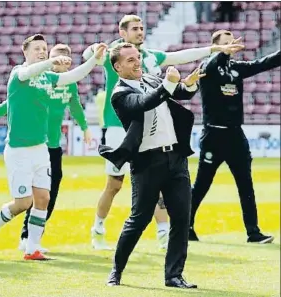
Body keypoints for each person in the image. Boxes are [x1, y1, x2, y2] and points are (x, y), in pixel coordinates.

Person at [82, 14, 249, 250]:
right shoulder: (115, 54)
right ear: (122, 33)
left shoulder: (149, 56)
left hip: (151, 126)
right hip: (120, 127)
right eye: (134, 29)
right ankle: (98, 229)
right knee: (115, 184)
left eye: (142, 28)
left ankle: (162, 234)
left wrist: (215, 48)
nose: (140, 32)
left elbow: (182, 56)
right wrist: (92, 51)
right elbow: (89, 57)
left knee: (158, 179)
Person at [0, 34, 107, 261]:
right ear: (25, 51)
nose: (41, 51)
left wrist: (94, 60)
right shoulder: (18, 73)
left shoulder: (48, 77)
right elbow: (28, 72)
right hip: (18, 150)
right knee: (23, 203)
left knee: (43, 198)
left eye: (44, 48)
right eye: (36, 48)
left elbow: (72, 76)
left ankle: (32, 249)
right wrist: (51, 62)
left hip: (41, 148)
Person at [101, 42, 203, 288]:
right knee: (139, 219)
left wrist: (190, 83)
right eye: (130, 60)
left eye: (137, 57)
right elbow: (144, 103)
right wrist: (168, 84)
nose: (137, 62)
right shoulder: (119, 94)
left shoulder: (151, 79)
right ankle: (117, 269)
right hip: (147, 162)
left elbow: (179, 93)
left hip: (176, 159)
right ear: (117, 67)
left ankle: (174, 276)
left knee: (181, 218)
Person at [189, 30, 280, 244]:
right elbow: (212, 62)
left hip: (235, 136)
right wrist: (221, 52)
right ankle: (186, 226)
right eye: (226, 44)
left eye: (232, 43)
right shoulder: (207, 68)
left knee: (245, 184)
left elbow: (263, 63)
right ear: (215, 47)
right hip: (213, 134)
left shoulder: (235, 68)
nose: (231, 46)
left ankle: (253, 232)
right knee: (202, 184)